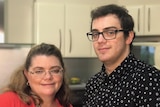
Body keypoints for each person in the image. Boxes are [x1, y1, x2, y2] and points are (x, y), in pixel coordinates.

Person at [84, 4, 160, 107]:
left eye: (110, 32)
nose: (100, 40)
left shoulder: (150, 80)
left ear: (129, 37)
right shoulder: (92, 84)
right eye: (95, 34)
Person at [0, 43, 73, 107]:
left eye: (55, 70)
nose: (48, 77)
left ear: (62, 73)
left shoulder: (67, 105)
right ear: (27, 75)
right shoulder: (9, 101)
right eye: (39, 71)